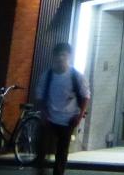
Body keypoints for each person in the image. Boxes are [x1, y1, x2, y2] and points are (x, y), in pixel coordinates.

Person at [34, 43, 91, 175]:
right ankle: (40, 170)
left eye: (63, 55)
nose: (60, 58)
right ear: (53, 57)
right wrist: (43, 113)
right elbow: (40, 95)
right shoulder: (47, 75)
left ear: (69, 56)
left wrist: (79, 116)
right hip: (50, 118)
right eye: (57, 55)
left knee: (62, 151)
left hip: (68, 119)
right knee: (41, 147)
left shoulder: (76, 76)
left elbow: (85, 96)